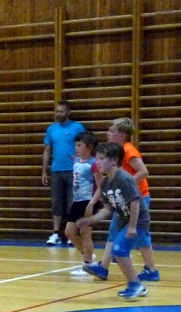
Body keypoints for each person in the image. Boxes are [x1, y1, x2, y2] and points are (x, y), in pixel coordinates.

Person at [83, 118, 160, 282]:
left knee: (120, 230)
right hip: (130, 198)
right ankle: (151, 270)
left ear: (122, 136)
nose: (108, 134)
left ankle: (103, 267)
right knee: (141, 236)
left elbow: (143, 171)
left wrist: (126, 186)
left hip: (136, 198)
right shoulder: (116, 153)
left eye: (112, 131)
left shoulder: (128, 150)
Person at [77, 142, 149, 300]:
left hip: (138, 221)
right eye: (97, 158)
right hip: (124, 221)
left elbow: (135, 202)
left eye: (102, 158)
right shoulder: (105, 183)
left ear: (114, 160)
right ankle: (136, 285)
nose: (97, 162)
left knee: (119, 250)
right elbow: (108, 209)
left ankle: (135, 285)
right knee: (118, 251)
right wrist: (90, 220)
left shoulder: (123, 178)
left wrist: (132, 227)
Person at [42, 100, 85, 245]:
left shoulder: (77, 127)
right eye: (57, 111)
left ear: (68, 112)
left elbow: (85, 145)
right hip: (56, 171)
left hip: (74, 170)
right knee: (57, 203)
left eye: (61, 111)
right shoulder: (51, 129)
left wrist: (80, 160)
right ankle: (56, 234)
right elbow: (47, 150)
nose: (59, 114)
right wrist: (44, 171)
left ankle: (73, 233)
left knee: (73, 203)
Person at [64, 131, 103, 275]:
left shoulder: (94, 164)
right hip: (77, 201)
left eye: (79, 145)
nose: (76, 148)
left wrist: (92, 203)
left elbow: (101, 186)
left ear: (89, 147)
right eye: (76, 145)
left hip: (89, 201)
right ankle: (88, 255)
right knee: (69, 232)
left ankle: (87, 265)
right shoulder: (76, 161)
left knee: (85, 233)